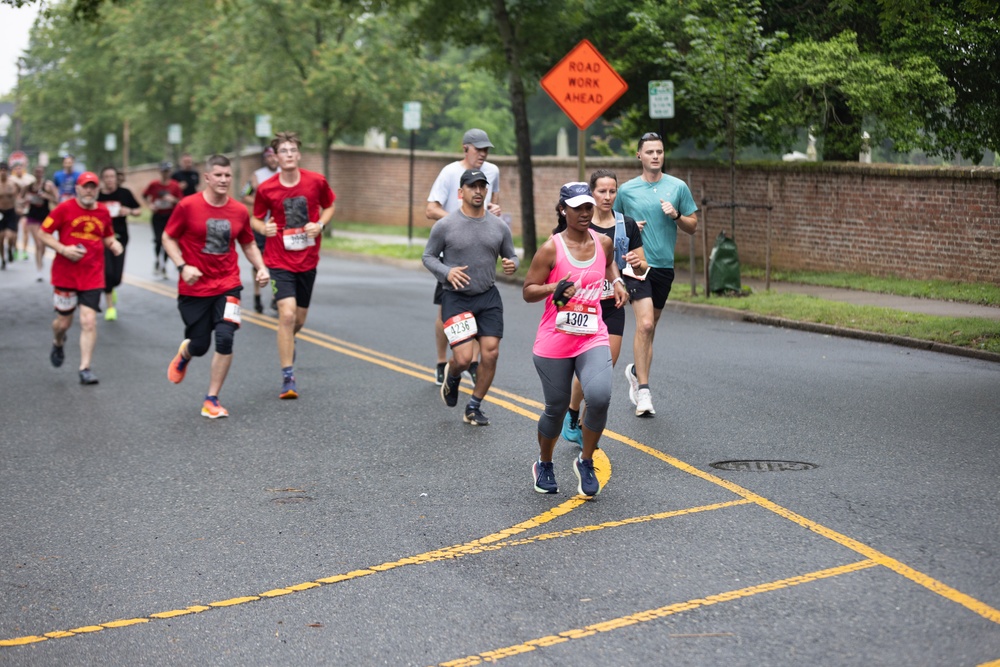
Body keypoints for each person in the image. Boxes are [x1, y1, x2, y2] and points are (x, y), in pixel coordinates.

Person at [522, 182, 628, 497]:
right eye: (577, 208)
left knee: (599, 397)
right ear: (562, 210)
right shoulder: (551, 249)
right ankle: (544, 462)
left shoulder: (604, 242)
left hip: (591, 335)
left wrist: (617, 281)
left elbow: (608, 263)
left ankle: (585, 460)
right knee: (555, 408)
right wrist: (551, 289)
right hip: (555, 338)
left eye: (587, 207)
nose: (584, 213)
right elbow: (528, 289)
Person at [162, 155, 269, 418]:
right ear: (207, 177)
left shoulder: (239, 210)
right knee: (200, 344)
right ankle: (186, 353)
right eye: (218, 175)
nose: (223, 180)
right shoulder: (188, 206)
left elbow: (247, 243)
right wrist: (182, 266)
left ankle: (211, 398)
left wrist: (262, 267)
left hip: (228, 284)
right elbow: (168, 237)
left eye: (227, 175)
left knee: (225, 337)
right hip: (194, 288)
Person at [422, 168, 518, 426]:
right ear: (460, 192)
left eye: (482, 186)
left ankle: (474, 406)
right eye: (472, 186)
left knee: (491, 354)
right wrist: (446, 272)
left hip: (487, 297)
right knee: (463, 359)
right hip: (456, 298)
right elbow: (428, 257)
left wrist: (512, 264)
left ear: (487, 191)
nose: (478, 191)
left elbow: (512, 255)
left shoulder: (498, 226)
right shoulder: (445, 226)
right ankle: (452, 377)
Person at [614, 132, 698, 417]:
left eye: (659, 152)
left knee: (650, 328)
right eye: (649, 152)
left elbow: (693, 226)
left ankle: (637, 370)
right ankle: (644, 393)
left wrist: (676, 215)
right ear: (639, 155)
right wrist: (628, 226)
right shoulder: (626, 191)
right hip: (636, 266)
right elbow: (610, 225)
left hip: (663, 267)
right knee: (646, 325)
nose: (655, 156)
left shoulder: (677, 187)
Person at [561, 169, 648, 446]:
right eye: (602, 191)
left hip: (612, 305)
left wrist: (637, 263)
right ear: (591, 193)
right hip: (584, 307)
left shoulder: (628, 225)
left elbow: (643, 266)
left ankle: (585, 424)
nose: (608, 197)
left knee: (603, 369)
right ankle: (573, 415)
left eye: (612, 191)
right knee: (588, 369)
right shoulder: (579, 225)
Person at [251, 131, 336, 399]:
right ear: (275, 157)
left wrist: (320, 224)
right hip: (278, 260)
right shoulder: (266, 188)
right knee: (285, 315)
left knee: (298, 319)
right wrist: (264, 228)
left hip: (307, 260)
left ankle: (289, 340)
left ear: (298, 154)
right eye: (282, 151)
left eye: (292, 150)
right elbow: (254, 219)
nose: (288, 154)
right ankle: (288, 377)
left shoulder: (316, 181)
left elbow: (330, 205)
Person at [425, 128, 501, 386]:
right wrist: (459, 224)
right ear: (465, 148)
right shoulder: (449, 173)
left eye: (486, 149)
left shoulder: (492, 172)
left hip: (480, 249)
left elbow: (493, 204)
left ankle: (472, 362)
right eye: (478, 149)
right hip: (452, 254)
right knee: (445, 311)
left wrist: (492, 211)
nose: (483, 153)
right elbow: (430, 208)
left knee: (480, 306)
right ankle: (440, 360)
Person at [38, 171, 123, 385]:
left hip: (92, 275)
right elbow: (43, 233)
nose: (89, 190)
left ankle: (85, 368)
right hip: (65, 275)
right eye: (85, 186)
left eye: (93, 186)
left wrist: (114, 244)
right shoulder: (64, 209)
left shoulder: (103, 211)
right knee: (63, 323)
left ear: (97, 189)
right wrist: (63, 249)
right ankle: (58, 342)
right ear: (77, 188)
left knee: (88, 321)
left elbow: (108, 235)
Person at [97, 166, 142, 320]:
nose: (110, 179)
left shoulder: (124, 193)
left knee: (116, 276)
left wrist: (128, 211)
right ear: (103, 179)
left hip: (121, 237)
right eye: (107, 176)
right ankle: (110, 307)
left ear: (117, 178)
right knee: (108, 273)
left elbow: (139, 210)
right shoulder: (98, 196)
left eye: (112, 176)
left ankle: (112, 287)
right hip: (103, 239)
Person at [242, 146, 279, 313]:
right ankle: (257, 295)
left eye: (274, 156)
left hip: (279, 225)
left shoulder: (284, 173)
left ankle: (275, 296)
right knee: (259, 261)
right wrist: (260, 201)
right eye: (269, 157)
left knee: (277, 262)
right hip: (261, 224)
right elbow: (244, 195)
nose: (272, 160)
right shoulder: (258, 175)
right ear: (265, 159)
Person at [143, 161, 183, 279]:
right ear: (159, 172)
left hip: (170, 217)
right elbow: (144, 196)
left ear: (170, 172)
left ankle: (164, 265)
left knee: (167, 241)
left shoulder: (175, 185)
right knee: (157, 240)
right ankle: (157, 260)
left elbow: (181, 201)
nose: (165, 174)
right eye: (163, 171)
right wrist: (150, 205)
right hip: (157, 216)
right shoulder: (154, 184)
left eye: (167, 171)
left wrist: (173, 200)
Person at [24, 165, 59, 282]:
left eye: (40, 172)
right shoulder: (29, 186)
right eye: (36, 171)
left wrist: (46, 196)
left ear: (43, 173)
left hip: (45, 217)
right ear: (34, 173)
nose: (38, 174)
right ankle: (39, 270)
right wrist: (26, 200)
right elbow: (20, 199)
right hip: (32, 217)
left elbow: (56, 199)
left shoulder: (48, 185)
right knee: (38, 243)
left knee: (42, 244)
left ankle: (41, 261)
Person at [10, 159, 36, 262]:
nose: (18, 170)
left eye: (20, 168)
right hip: (14, 208)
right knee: (14, 231)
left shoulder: (30, 179)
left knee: (25, 229)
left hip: (27, 208)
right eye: (16, 168)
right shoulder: (10, 180)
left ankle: (24, 251)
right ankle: (15, 249)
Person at [0, 163, 18, 268]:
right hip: (0, 212)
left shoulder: (12, 183)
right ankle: (3, 259)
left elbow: (18, 196)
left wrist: (19, 207)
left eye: (4, 169)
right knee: (0, 239)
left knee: (11, 237)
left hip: (11, 212)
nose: (3, 171)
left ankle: (10, 249)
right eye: (1, 169)